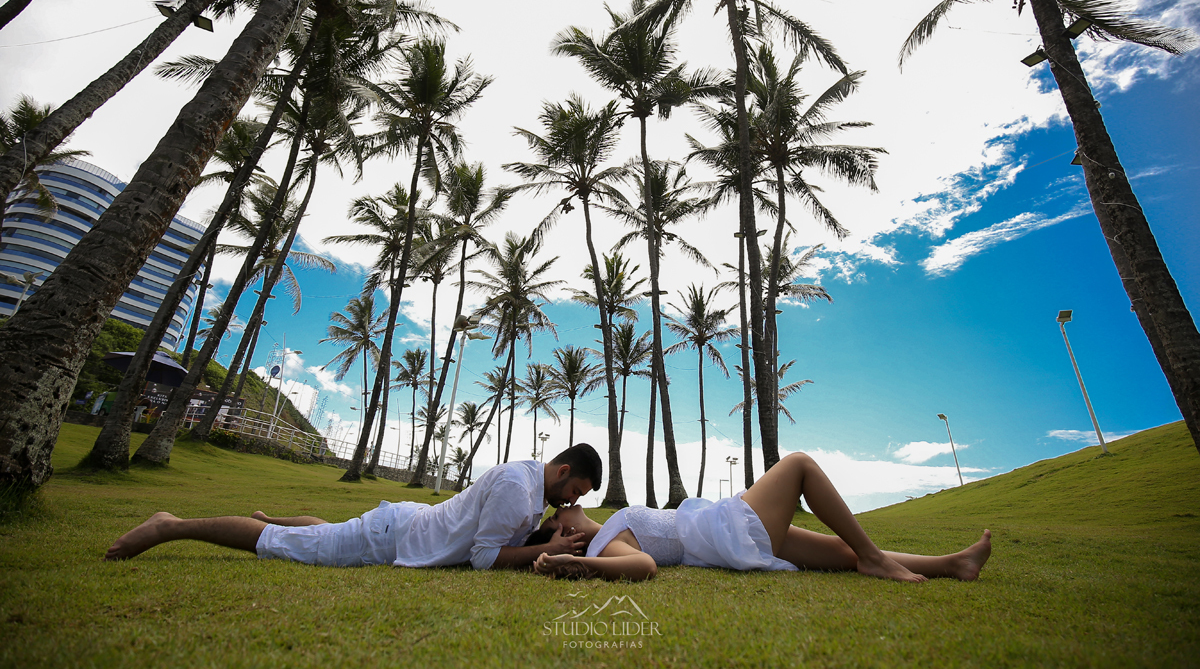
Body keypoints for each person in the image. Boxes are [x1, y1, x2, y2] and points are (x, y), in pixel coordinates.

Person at [105, 443, 602, 570]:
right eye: (576, 491)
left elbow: (499, 539)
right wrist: (544, 554)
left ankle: (266, 516)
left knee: (329, 529)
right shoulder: (520, 487)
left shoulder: (530, 486)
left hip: (404, 523)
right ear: (562, 472)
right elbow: (483, 557)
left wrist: (546, 540)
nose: (573, 503)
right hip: (394, 536)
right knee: (284, 546)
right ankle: (170, 525)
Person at [529, 451, 991, 582]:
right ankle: (876, 557)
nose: (566, 506)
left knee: (839, 552)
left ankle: (952, 564)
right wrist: (575, 562)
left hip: (726, 527)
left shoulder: (607, 531)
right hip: (724, 531)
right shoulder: (606, 541)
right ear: (560, 534)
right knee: (799, 464)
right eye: (559, 513)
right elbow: (644, 566)